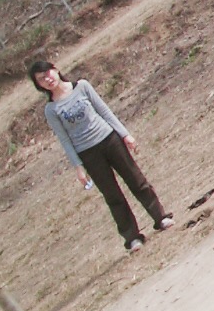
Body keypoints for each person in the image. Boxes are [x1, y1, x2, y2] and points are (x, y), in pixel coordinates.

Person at [30, 61, 173, 253]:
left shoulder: (82, 86)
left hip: (109, 139)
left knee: (136, 180)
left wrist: (125, 134)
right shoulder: (51, 110)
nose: (47, 79)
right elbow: (64, 139)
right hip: (88, 153)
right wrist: (78, 167)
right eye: (41, 79)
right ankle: (132, 237)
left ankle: (160, 217)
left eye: (47, 73)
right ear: (39, 85)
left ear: (55, 70)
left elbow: (104, 111)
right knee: (112, 196)